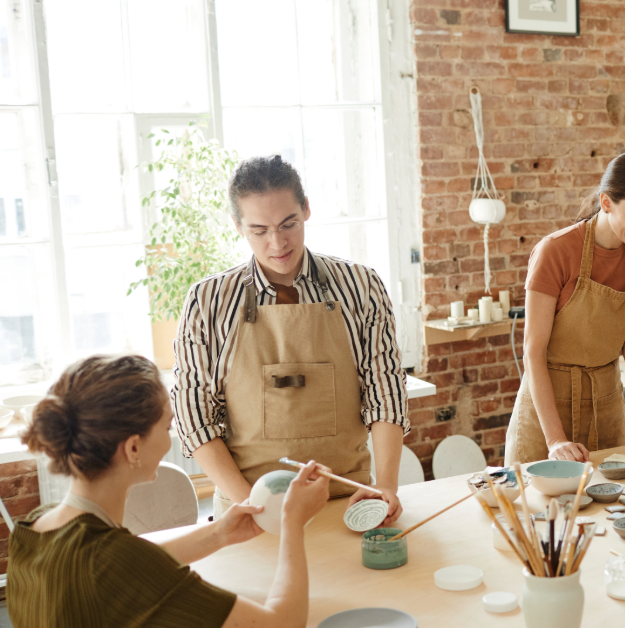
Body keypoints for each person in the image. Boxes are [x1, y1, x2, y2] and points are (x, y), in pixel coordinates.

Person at [9, 354, 329, 627]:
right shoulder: (112, 561)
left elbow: (129, 571)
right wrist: (291, 523)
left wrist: (220, 533)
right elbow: (281, 622)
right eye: (166, 427)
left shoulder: (34, 530)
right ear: (133, 448)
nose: (169, 438)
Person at [172, 155, 408, 523]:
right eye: (259, 231)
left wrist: (387, 485)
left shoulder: (362, 287)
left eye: (288, 224)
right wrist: (252, 505)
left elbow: (386, 391)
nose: (277, 243)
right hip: (248, 509)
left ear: (307, 209)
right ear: (237, 226)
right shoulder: (208, 302)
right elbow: (194, 418)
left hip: (348, 502)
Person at [505, 152, 625, 464]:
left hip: (606, 405)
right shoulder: (554, 251)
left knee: (611, 507)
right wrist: (555, 440)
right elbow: (532, 351)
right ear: (607, 203)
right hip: (546, 411)